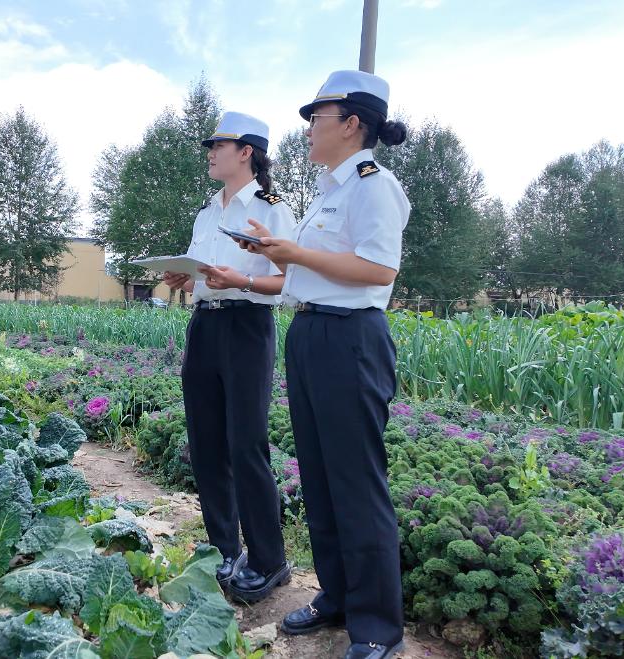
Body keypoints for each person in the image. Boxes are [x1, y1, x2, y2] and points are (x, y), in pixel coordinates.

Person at [237, 70, 410, 659]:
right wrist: (272, 250)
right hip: (310, 332)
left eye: (318, 118)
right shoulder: (330, 191)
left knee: (356, 483)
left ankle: (376, 628)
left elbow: (379, 271)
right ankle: (336, 596)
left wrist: (295, 251)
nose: (309, 129)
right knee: (318, 474)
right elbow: (312, 268)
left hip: (351, 339)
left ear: (353, 123)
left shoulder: (373, 185)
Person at [161, 111, 296, 604]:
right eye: (210, 145)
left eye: (220, 145)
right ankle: (223, 548)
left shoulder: (272, 207)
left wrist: (239, 280)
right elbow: (205, 270)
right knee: (207, 440)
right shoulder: (207, 210)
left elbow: (292, 280)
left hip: (246, 326)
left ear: (247, 153)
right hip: (206, 325)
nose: (211, 152)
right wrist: (185, 277)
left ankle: (269, 558)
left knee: (246, 444)